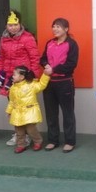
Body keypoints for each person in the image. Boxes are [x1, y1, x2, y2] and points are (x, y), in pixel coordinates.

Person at [0, 11, 40, 146]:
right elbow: (1, 58)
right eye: (10, 25)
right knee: (14, 107)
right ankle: (19, 134)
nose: (13, 27)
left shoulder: (28, 38)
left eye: (15, 24)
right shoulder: (4, 38)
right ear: (6, 25)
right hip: (10, 79)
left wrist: (34, 77)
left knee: (25, 107)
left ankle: (28, 135)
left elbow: (34, 58)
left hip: (24, 78)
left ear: (20, 24)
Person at [39, 18, 79, 153]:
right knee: (51, 114)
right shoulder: (49, 43)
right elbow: (43, 59)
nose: (55, 29)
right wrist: (46, 65)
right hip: (49, 83)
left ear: (66, 29)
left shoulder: (72, 44)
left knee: (68, 114)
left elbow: (71, 64)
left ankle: (70, 141)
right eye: (53, 26)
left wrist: (54, 69)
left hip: (65, 83)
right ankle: (53, 140)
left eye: (58, 27)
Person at [5, 65, 51, 154]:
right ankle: (21, 145)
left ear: (22, 77)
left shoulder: (31, 85)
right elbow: (11, 101)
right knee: (19, 131)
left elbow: (41, 85)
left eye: (14, 74)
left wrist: (45, 75)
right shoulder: (13, 88)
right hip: (17, 113)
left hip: (30, 111)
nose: (12, 76)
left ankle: (38, 141)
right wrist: (9, 111)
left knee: (31, 129)